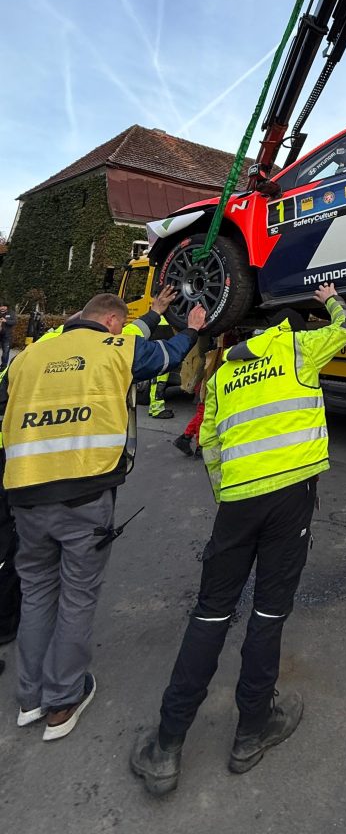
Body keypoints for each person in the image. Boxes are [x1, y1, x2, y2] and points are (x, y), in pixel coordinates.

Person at [130, 283, 346, 796]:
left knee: (211, 613)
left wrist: (229, 495)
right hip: (291, 498)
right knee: (268, 615)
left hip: (236, 503)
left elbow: (209, 443)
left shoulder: (223, 373)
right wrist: (330, 297)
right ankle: (252, 731)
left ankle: (167, 746)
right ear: (286, 327)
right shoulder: (296, 348)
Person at [0, 292, 206, 740]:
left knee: (36, 594)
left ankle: (30, 699)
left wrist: (153, 312)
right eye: (122, 324)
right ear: (112, 322)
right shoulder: (116, 349)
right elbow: (168, 354)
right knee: (76, 596)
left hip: (24, 494)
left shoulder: (28, 357)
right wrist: (192, 328)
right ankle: (63, 701)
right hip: (83, 493)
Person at [0, 302, 17, 371]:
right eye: (1, 306)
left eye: (4, 306)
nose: (2, 307)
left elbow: (14, 322)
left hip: (7, 336)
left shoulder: (11, 313)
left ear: (7, 307)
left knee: (5, 352)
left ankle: (3, 368)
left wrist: (6, 320)